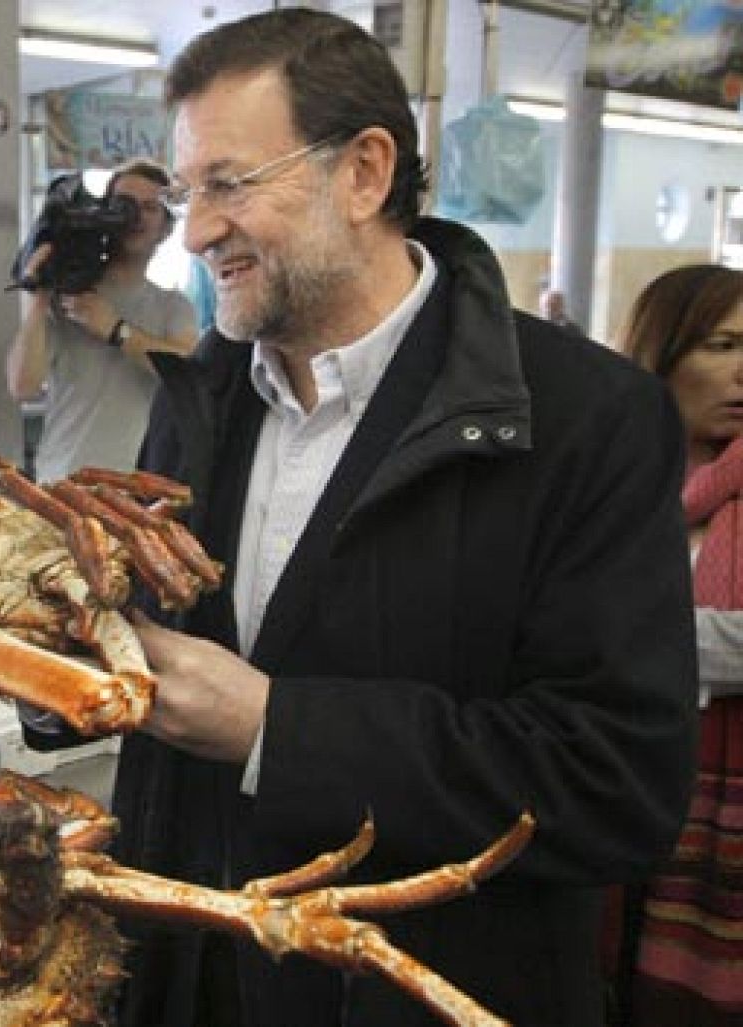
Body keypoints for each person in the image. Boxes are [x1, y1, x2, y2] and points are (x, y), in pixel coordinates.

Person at [42, 10, 697, 1025]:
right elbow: (146, 670)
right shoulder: (202, 402)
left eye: (228, 183)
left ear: (364, 172)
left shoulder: (584, 421)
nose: (195, 228)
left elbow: (615, 785)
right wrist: (47, 653)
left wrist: (276, 730)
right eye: (185, 192)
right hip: (196, 985)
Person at [614, 263, 743, 1024]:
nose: (742, 371)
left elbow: (583, 632)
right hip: (620, 793)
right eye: (722, 345)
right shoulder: (613, 487)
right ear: (662, 353)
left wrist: (625, 638)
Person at [6, 158, 199, 483]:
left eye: (150, 207)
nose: (134, 216)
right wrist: (39, 297)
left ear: (166, 228)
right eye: (124, 204)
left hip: (138, 487)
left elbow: (184, 375)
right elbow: (23, 386)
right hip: (63, 482)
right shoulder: (68, 294)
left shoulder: (173, 307)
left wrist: (115, 330)